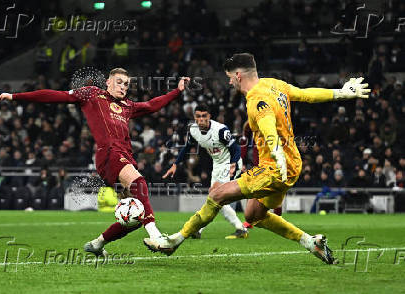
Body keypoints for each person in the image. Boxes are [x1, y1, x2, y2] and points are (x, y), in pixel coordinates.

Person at [144, 53, 370, 264]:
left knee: (216, 195)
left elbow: (267, 123)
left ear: (238, 75)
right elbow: (305, 94)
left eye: (230, 78)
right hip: (291, 164)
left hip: (275, 166)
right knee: (254, 215)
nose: (230, 83)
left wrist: (276, 151)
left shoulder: (255, 99)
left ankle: (173, 241)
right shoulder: (274, 84)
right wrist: (340, 93)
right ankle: (311, 243)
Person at [0, 68, 190, 257]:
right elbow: (55, 95)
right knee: (140, 184)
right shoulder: (92, 94)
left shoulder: (127, 106)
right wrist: (15, 96)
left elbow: (152, 105)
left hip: (124, 156)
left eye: (126, 84)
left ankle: (97, 244)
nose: (123, 87)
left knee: (136, 215)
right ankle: (156, 236)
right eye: (119, 82)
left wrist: (177, 91)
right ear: (108, 82)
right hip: (109, 154)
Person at [163, 104, 247, 239]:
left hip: (230, 163)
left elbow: (236, 148)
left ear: (209, 116)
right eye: (198, 116)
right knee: (216, 198)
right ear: (194, 117)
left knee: (215, 195)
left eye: (204, 116)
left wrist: (233, 164)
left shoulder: (220, 130)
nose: (201, 119)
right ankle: (240, 229)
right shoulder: (193, 130)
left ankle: (200, 229)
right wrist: (175, 164)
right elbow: (186, 148)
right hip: (218, 164)